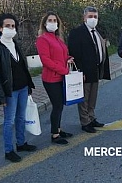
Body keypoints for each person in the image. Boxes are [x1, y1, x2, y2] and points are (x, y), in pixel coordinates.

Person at [0, 13, 37, 163]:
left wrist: (29, 85)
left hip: (23, 87)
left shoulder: (16, 44)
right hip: (9, 91)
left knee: (21, 117)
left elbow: (23, 66)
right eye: (7, 26)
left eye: (13, 26)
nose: (11, 28)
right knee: (9, 121)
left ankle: (21, 143)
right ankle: (8, 150)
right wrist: (0, 96)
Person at [68, 6, 111, 133]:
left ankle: (92, 118)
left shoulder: (96, 32)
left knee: (93, 97)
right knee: (84, 98)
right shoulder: (77, 32)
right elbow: (74, 53)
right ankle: (85, 121)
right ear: (84, 17)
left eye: (95, 17)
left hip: (96, 70)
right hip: (84, 72)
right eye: (90, 16)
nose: (93, 19)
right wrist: (80, 71)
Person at [36, 11, 74, 145]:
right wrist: (64, 70)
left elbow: (62, 55)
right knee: (57, 105)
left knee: (60, 105)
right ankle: (55, 134)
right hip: (51, 78)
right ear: (45, 23)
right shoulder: (42, 39)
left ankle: (58, 128)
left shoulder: (58, 38)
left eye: (55, 21)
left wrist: (68, 59)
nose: (53, 23)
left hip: (61, 76)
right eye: (50, 20)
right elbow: (46, 60)